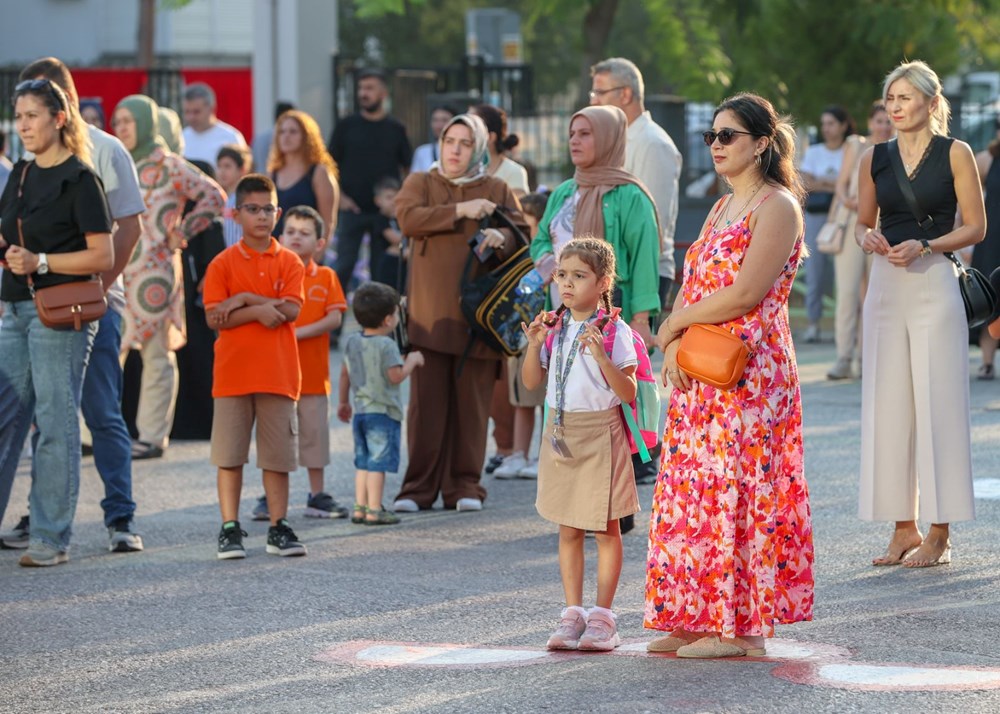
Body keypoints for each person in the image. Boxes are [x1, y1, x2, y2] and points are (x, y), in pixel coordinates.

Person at [646, 92, 814, 658]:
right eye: (711, 136)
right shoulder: (721, 207)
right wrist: (675, 343)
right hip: (704, 366)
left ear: (762, 143)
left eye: (728, 136)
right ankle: (696, 615)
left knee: (741, 491)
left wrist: (672, 324)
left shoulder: (778, 207)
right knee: (697, 490)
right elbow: (698, 288)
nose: (715, 146)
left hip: (752, 372)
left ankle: (742, 629)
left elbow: (747, 292)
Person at [0, 57, 148, 554]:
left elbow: (112, 244)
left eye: (31, 115)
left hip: (73, 309)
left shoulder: (87, 172)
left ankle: (70, 530)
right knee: (11, 417)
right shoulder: (19, 173)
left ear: (59, 113)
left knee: (77, 418)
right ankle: (33, 520)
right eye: (17, 116)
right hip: (18, 308)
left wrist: (59, 273)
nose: (22, 125)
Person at [856, 60, 985, 568]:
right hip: (886, 285)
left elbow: (975, 227)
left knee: (939, 404)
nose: (895, 108)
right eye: (891, 99)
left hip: (934, 279)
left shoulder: (958, 153)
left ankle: (940, 533)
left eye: (905, 98)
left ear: (932, 103)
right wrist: (867, 235)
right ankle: (902, 527)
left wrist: (927, 244)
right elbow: (865, 220)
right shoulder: (875, 157)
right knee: (888, 405)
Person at [391, 113, 529, 513]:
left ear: (480, 148)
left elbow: (521, 237)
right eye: (449, 140)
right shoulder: (422, 181)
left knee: (472, 406)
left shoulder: (497, 186)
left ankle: (464, 486)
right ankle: (417, 489)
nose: (454, 149)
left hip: (479, 319)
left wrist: (499, 235)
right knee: (425, 408)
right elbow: (407, 217)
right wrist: (462, 210)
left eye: (465, 143)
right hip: (429, 317)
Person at [521, 236, 640, 651]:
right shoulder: (555, 327)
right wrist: (534, 343)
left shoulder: (614, 330)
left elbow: (628, 391)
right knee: (568, 526)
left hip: (599, 432)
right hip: (560, 431)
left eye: (578, 276)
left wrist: (602, 356)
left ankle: (604, 618)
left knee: (607, 528)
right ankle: (572, 613)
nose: (566, 284)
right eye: (561, 275)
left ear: (603, 281)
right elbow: (531, 384)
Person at [112, 94, 225, 460]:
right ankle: (92, 434)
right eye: (118, 122)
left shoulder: (170, 165)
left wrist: (185, 231)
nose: (122, 128)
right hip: (116, 270)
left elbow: (213, 196)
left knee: (157, 354)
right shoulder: (116, 162)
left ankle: (151, 436)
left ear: (147, 122)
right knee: (107, 352)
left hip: (156, 273)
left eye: (129, 121)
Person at [203, 174, 307, 559]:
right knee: (229, 456)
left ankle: (278, 526)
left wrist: (244, 301)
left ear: (277, 213)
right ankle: (230, 528)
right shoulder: (222, 263)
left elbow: (291, 310)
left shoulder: (290, 261)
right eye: (252, 209)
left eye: (268, 209)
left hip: (278, 373)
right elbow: (215, 318)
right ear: (236, 214)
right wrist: (259, 307)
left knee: (277, 457)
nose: (261, 216)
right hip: (232, 374)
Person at [247, 206, 350, 522]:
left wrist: (297, 332)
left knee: (314, 437)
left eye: (305, 234)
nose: (296, 238)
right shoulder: (271, 273)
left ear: (320, 243)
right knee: (276, 438)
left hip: (314, 377)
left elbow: (334, 317)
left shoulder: (327, 276)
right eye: (290, 231)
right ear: (280, 235)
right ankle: (271, 495)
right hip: (277, 376)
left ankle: (316, 495)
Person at [529, 105, 660, 350]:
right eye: (572, 134)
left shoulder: (631, 196)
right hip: (561, 312)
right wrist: (549, 261)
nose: (574, 141)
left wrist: (641, 319)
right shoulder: (563, 192)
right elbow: (540, 239)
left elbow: (645, 260)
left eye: (585, 134)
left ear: (608, 139)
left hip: (609, 313)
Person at [590, 57, 682, 318]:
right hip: (614, 271)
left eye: (600, 92)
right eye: (593, 92)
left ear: (626, 94)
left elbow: (654, 222)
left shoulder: (653, 144)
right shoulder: (618, 139)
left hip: (641, 275)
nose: (593, 100)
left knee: (628, 358)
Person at [469, 103, 530, 478]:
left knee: (506, 366)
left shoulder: (512, 173)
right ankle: (495, 443)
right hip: (475, 275)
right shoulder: (468, 172)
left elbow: (520, 227)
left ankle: (508, 446)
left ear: (488, 135)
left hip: (505, 278)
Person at [338, 282, 424, 525]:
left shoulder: (352, 341)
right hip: (383, 413)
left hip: (361, 411)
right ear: (387, 320)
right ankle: (375, 508)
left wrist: (343, 401)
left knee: (363, 462)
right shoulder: (387, 345)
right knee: (378, 464)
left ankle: (359, 506)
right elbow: (395, 376)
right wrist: (412, 361)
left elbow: (345, 373)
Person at [327, 69, 412, 293]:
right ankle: (333, 326)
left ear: (383, 93)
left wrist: (396, 201)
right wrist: (341, 198)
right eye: (361, 88)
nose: (364, 94)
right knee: (343, 267)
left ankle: (381, 325)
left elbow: (407, 168)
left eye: (370, 88)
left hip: (383, 214)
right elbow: (328, 165)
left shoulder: (396, 128)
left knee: (380, 273)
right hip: (351, 209)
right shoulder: (346, 126)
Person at [827, 101, 894, 380]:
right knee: (847, 293)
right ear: (870, 122)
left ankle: (869, 359)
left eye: (888, 120)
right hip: (854, 222)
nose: (884, 125)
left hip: (884, 227)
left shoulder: (898, 149)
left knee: (876, 297)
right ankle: (844, 357)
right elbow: (841, 184)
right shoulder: (856, 146)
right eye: (879, 120)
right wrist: (852, 202)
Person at [491, 191, 549, 480]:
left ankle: (541, 453)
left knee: (542, 399)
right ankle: (518, 452)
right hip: (517, 337)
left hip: (538, 337)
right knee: (520, 398)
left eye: (528, 225)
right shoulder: (521, 256)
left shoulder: (546, 259)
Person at [799, 105, 855, 343]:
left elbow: (854, 183)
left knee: (846, 272)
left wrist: (826, 182)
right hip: (817, 215)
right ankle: (814, 323)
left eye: (831, 123)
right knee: (815, 271)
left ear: (843, 125)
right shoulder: (814, 152)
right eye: (824, 124)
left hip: (845, 215)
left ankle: (848, 327)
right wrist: (838, 184)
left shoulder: (851, 150)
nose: (826, 128)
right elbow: (806, 183)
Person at [269, 109, 340, 242]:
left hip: (307, 253)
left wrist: (317, 255)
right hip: (276, 253)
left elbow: (328, 221)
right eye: (282, 132)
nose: (286, 136)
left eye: (293, 131)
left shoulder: (319, 172)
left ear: (307, 136)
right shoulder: (273, 173)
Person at [973, 115, 1000, 380]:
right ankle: (987, 361)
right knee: (991, 300)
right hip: (992, 240)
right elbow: (969, 199)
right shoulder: (985, 159)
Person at [181, 82, 248, 171]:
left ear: (211, 109)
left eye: (196, 112)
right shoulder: (181, 138)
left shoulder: (231, 137)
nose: (191, 117)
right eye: (187, 112)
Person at [469, 104, 529, 197]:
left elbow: (516, 209)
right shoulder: (458, 169)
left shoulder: (514, 172)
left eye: (472, 127)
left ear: (490, 137)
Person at [370, 176, 405, 290]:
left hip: (401, 267)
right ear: (378, 200)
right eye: (389, 198)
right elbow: (395, 239)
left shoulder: (401, 219)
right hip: (383, 267)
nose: (394, 202)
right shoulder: (380, 219)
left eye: (397, 197)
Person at [217, 143, 252, 248]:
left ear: (242, 170)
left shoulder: (246, 199)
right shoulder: (220, 198)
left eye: (227, 166)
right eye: (219, 166)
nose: (222, 172)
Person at [410, 105, 457, 173]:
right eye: (435, 120)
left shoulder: (460, 151)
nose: (439, 125)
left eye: (444, 120)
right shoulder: (422, 152)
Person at [253, 101, 294, 177]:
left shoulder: (259, 138)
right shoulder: (291, 138)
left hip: (259, 181)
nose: (286, 135)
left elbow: (252, 163)